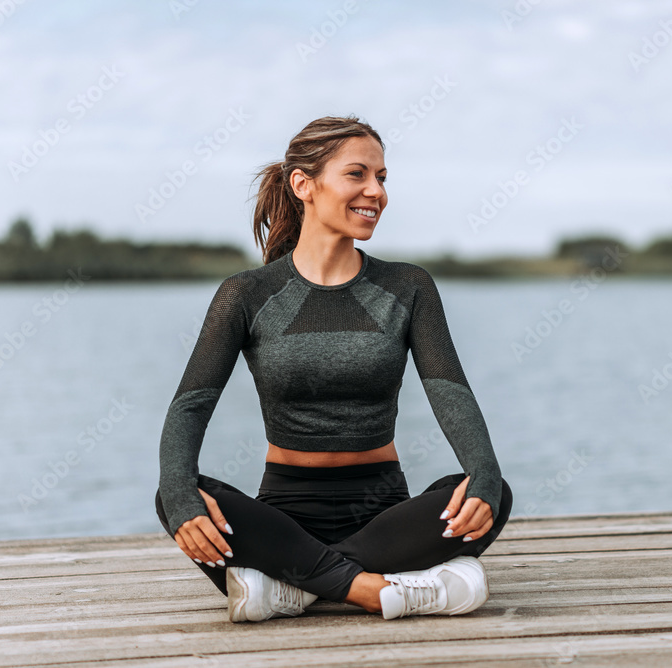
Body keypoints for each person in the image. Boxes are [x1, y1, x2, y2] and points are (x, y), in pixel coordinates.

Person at [153, 115, 513, 622]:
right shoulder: (246, 294)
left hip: (384, 509)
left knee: (489, 492)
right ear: (304, 184)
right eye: (357, 174)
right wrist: (181, 495)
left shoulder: (408, 287)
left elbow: (450, 393)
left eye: (382, 178)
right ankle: (373, 589)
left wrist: (484, 480)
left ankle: (291, 588)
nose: (376, 192)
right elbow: (190, 406)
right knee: (177, 495)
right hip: (283, 512)